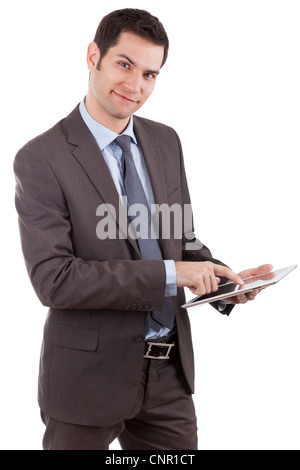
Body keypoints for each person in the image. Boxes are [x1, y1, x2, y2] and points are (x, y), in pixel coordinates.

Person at [14, 8, 272, 450]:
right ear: (94, 55)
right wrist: (175, 273)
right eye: (124, 65)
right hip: (85, 381)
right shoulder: (41, 158)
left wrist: (221, 281)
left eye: (150, 74)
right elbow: (54, 280)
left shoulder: (165, 140)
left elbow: (182, 241)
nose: (136, 87)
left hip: (169, 375)